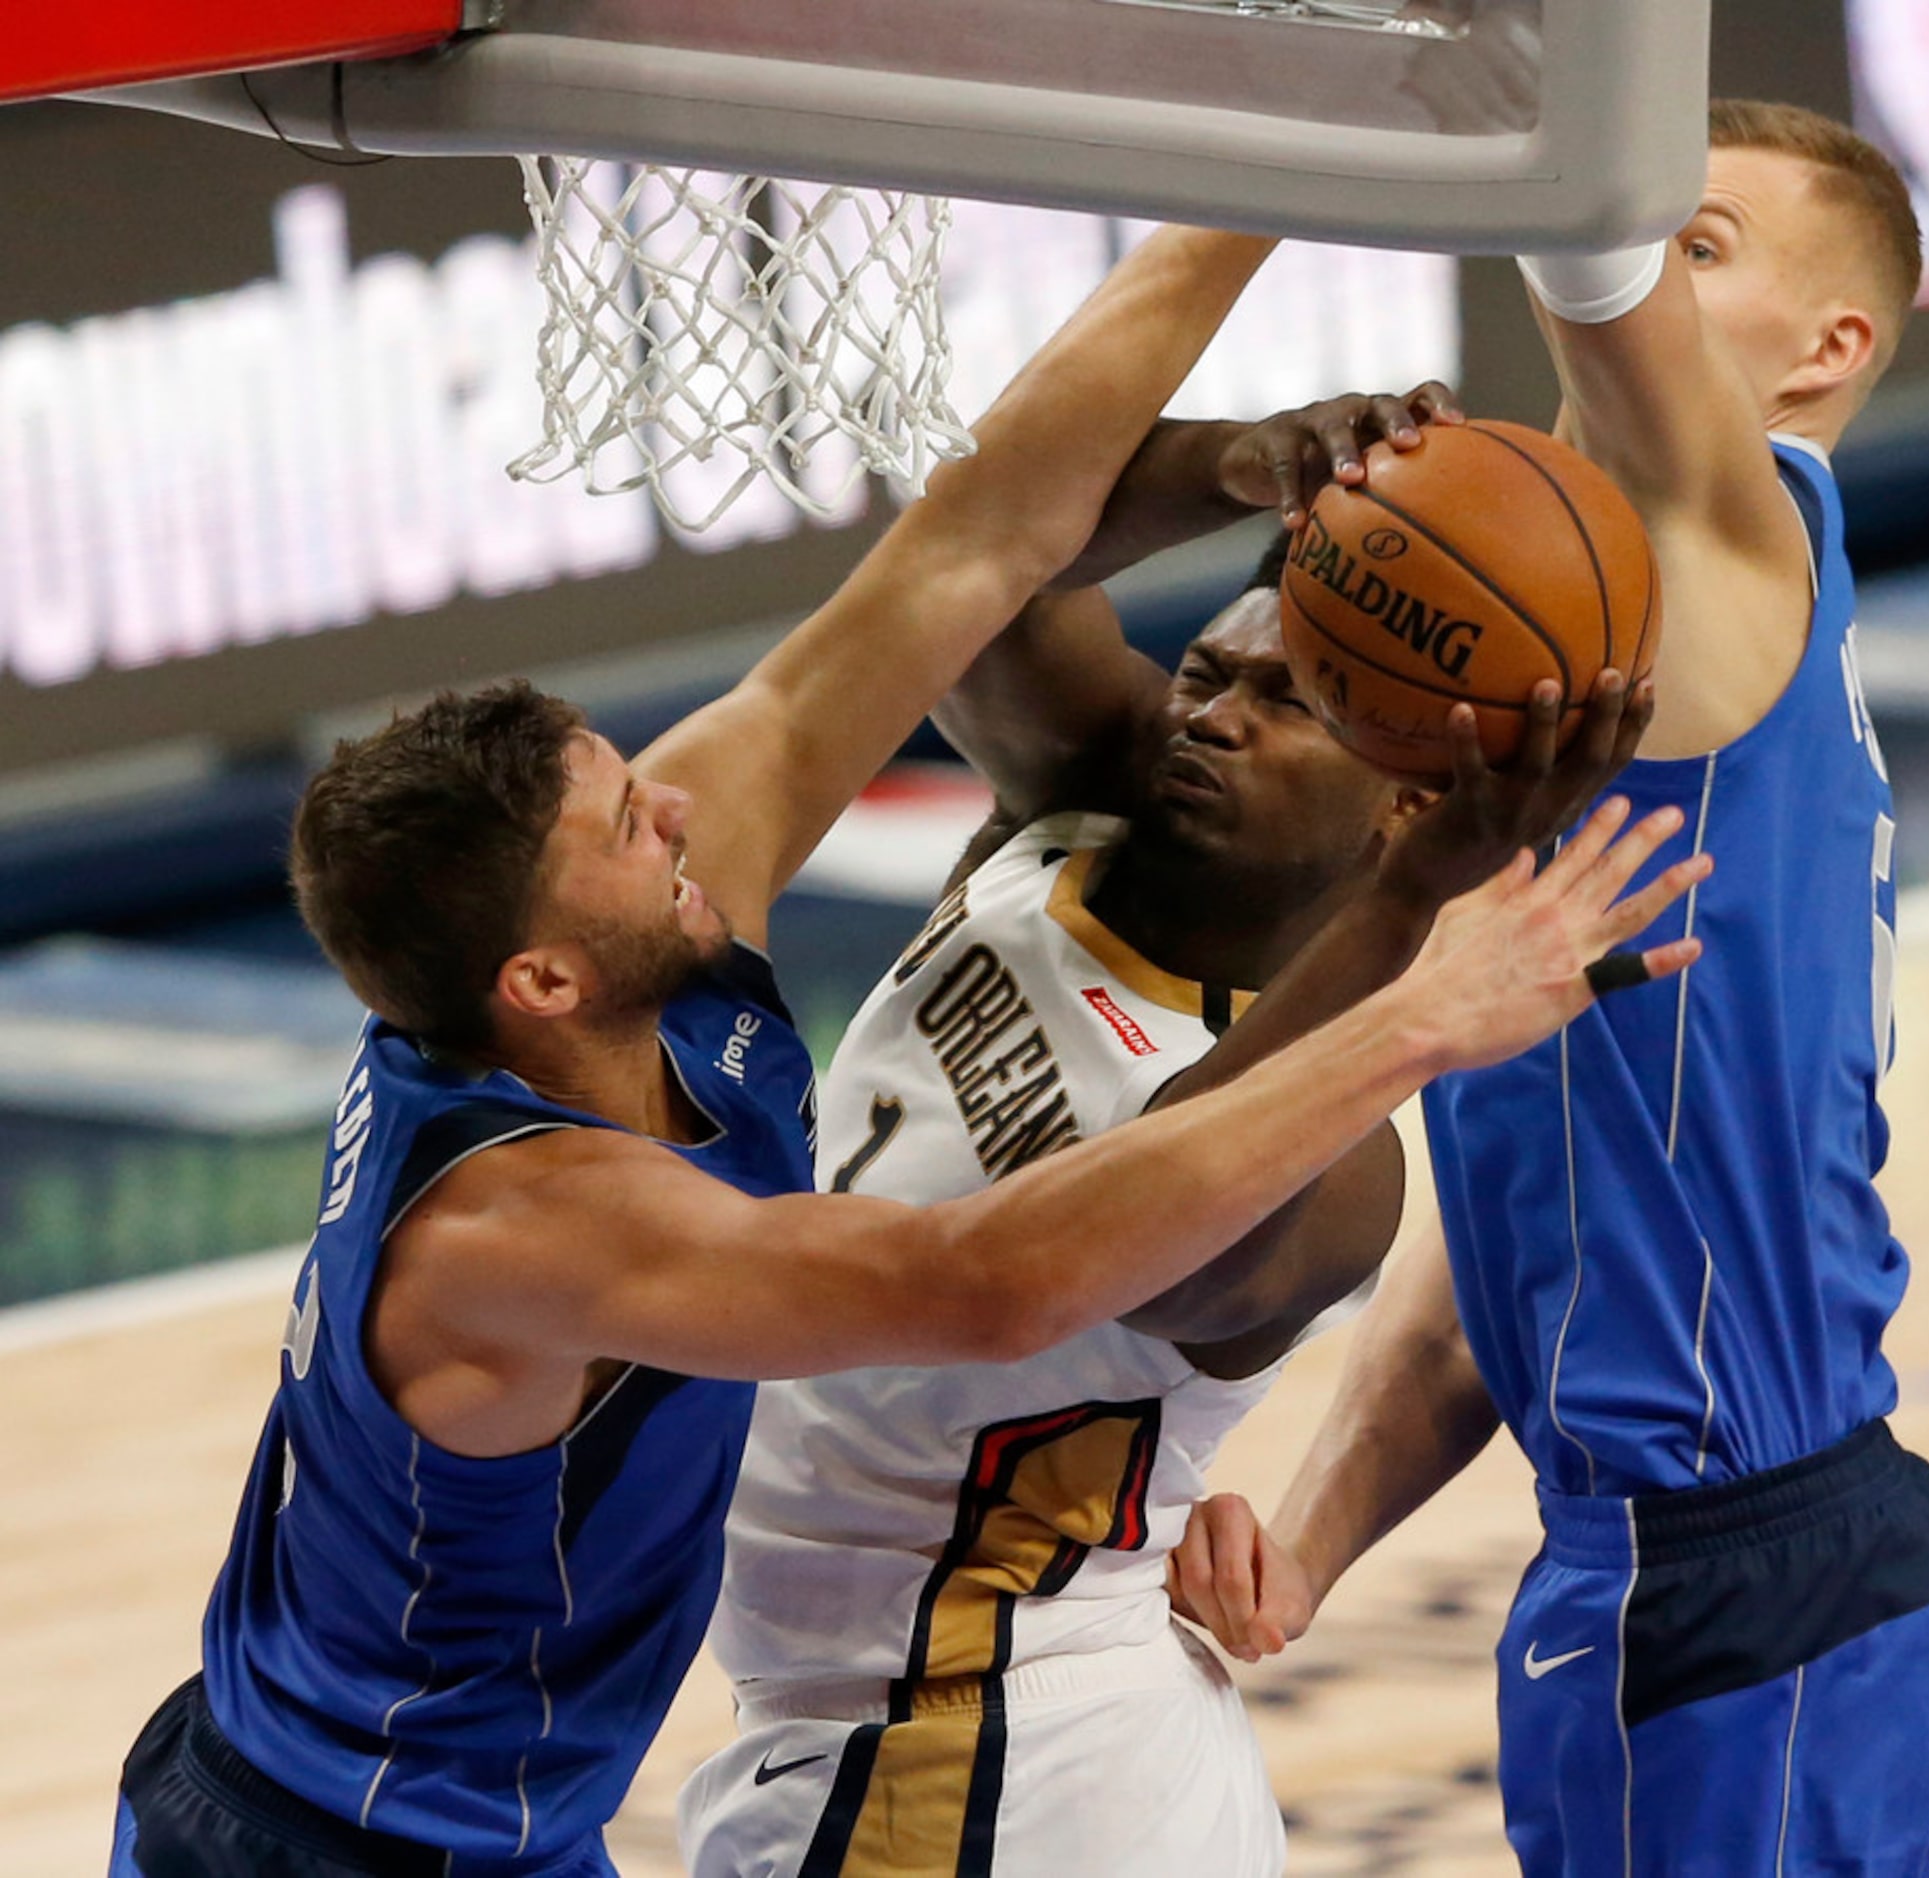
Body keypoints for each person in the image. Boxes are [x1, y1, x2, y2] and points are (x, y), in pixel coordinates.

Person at [107, 226, 1702, 1878]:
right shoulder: (531, 1223)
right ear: (542, 976)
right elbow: (987, 1284)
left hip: (907, 1743)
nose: (677, 809)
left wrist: (1249, 210)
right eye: (624, 827)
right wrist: (1425, 993)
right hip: (364, 1844)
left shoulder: (545, 974)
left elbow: (974, 543)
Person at [1174, 100, 1929, 1875]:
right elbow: (1515, 1241)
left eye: (1702, 245)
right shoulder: (1616, 665)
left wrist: (1534, 85)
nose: (1639, 266)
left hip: (1734, 1589)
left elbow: (1588, 257)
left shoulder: (1733, 535)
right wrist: (1313, 1539)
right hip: (1709, 1570)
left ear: (1826, 353)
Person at [678, 412, 1681, 1872]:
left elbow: (1155, 1228)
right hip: (923, 1726)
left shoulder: (1341, 1167)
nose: (1208, 713)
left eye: (1288, 702)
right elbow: (986, 557)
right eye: (1204, 672)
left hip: (994, 1742)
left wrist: (1407, 907)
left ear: (1409, 802)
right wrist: (1234, 463)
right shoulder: (1082, 805)